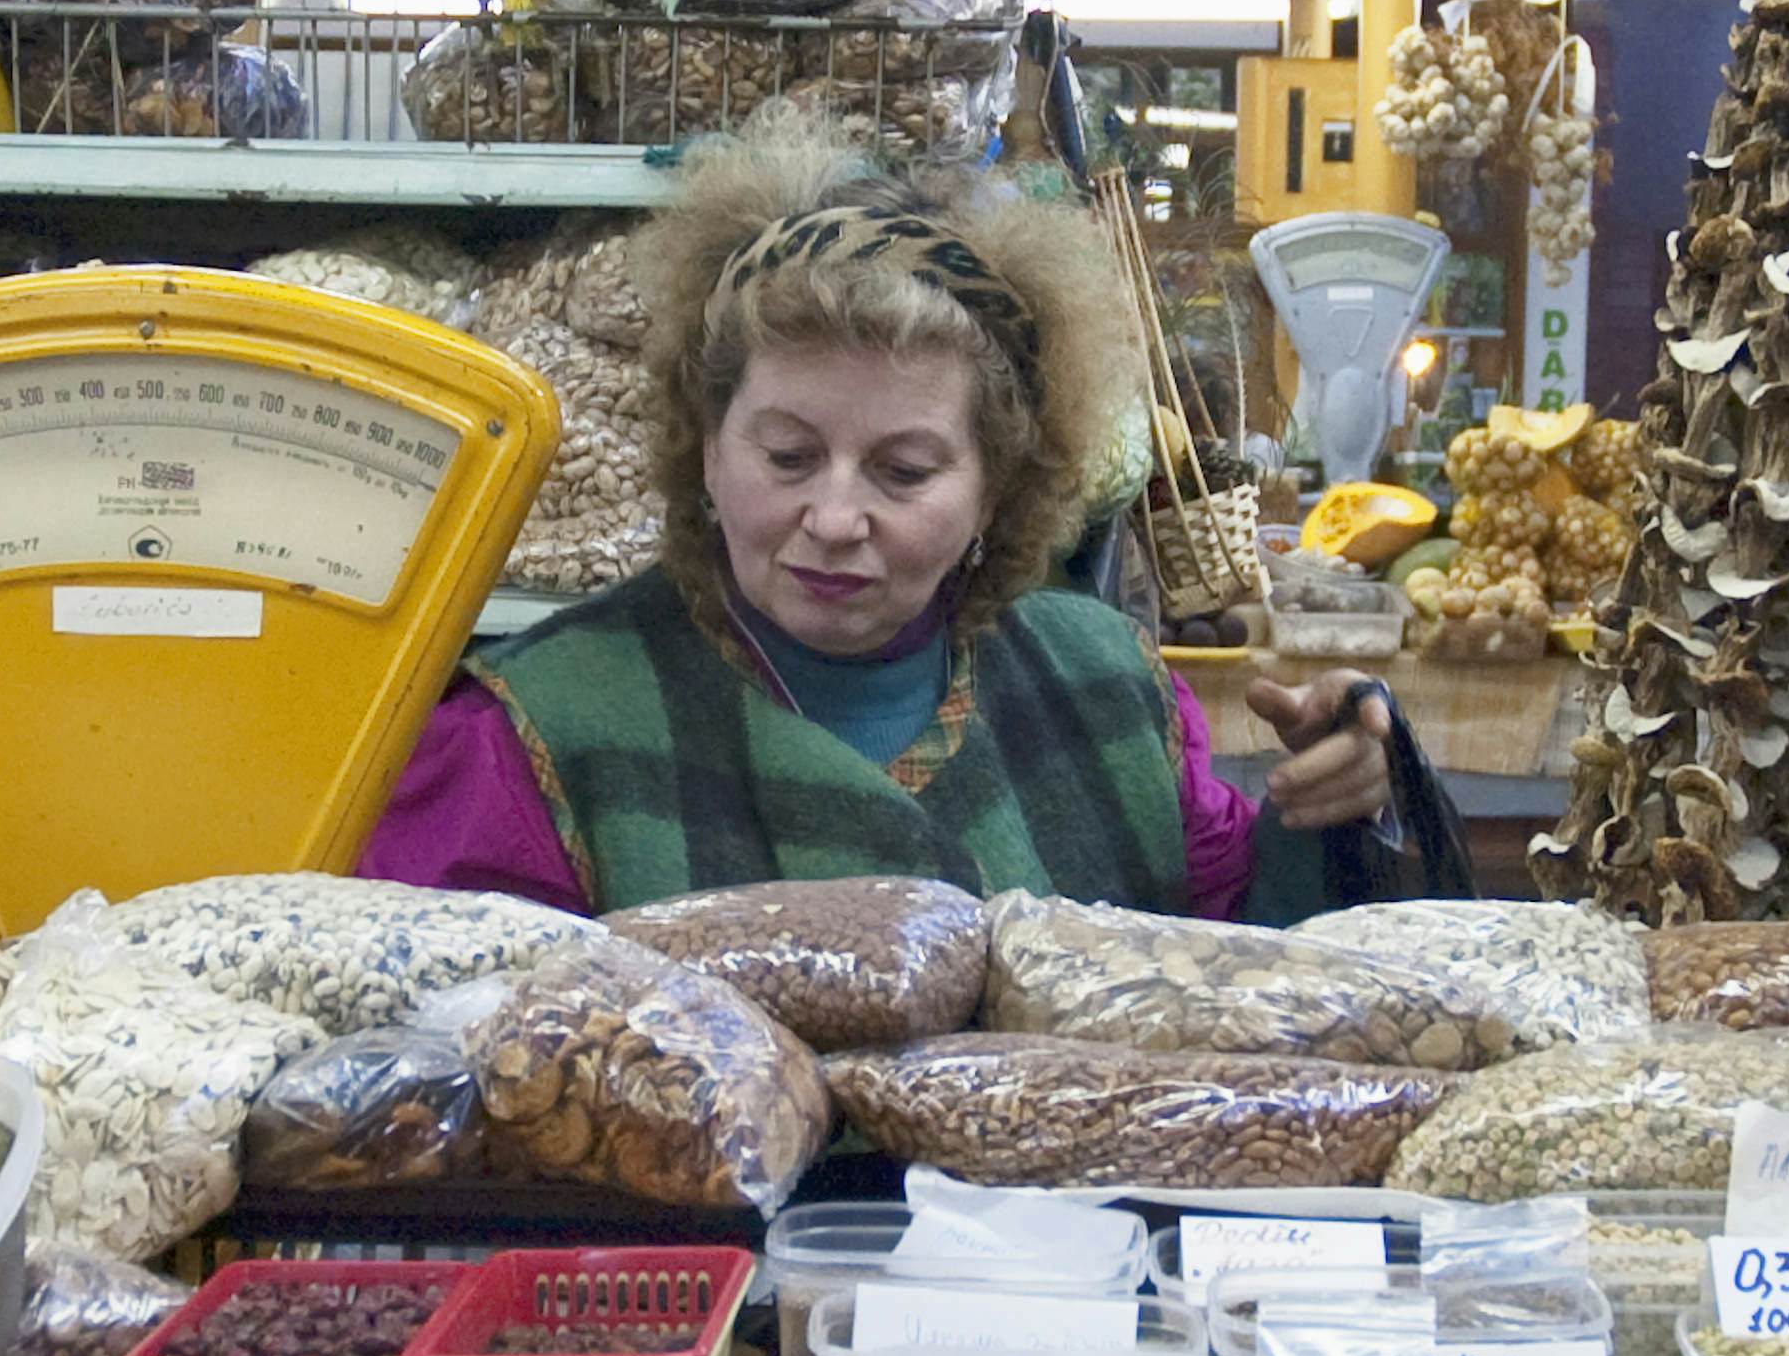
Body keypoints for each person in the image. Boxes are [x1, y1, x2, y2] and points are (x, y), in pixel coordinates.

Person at [364, 113, 1405, 921]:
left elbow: (1231, 968)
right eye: (786, 455)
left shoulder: (1107, 694)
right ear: (703, 450)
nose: (832, 517)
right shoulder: (532, 734)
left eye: (902, 472)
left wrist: (1333, 804)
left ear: (997, 485)